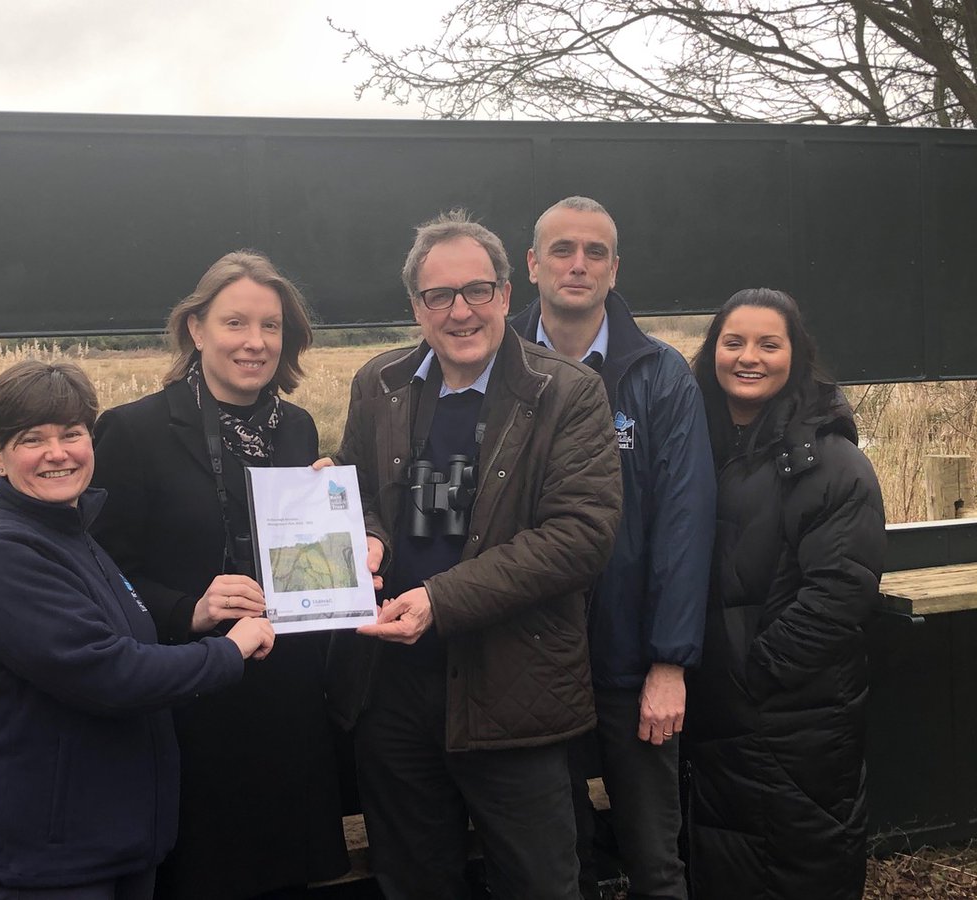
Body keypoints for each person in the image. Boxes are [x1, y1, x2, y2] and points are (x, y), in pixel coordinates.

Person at [326, 209, 623, 899]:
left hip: (514, 689)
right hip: (393, 694)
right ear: (416, 306)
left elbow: (581, 535)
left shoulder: (567, 392)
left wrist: (440, 600)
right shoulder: (379, 383)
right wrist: (365, 530)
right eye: (439, 296)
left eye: (477, 291)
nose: (460, 312)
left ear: (506, 294)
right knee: (414, 879)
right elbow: (358, 486)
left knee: (538, 882)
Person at [0, 360, 273, 900]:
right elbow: (108, 672)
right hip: (50, 861)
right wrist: (229, 651)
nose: (58, 453)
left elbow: (123, 640)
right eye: (32, 439)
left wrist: (195, 616)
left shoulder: (74, 535)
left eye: (72, 434)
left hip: (117, 843)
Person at [89, 251, 349, 898]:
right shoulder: (133, 431)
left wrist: (334, 525)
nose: (255, 342)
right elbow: (103, 575)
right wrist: (188, 609)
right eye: (236, 323)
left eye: (271, 326)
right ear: (196, 330)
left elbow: (302, 561)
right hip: (193, 706)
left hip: (287, 704)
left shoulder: (297, 429)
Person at [508, 196, 715, 899]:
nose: (578, 264)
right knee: (557, 864)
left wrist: (670, 662)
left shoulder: (661, 374)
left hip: (632, 662)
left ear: (615, 268)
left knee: (655, 860)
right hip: (529, 657)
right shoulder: (493, 365)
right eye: (561, 249)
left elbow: (684, 526)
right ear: (531, 264)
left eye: (595, 252)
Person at [684, 288, 885, 899]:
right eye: (734, 342)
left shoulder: (831, 463)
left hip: (792, 718)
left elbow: (840, 591)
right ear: (713, 352)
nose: (749, 357)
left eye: (769, 344)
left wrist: (756, 674)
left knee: (799, 863)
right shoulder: (696, 448)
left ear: (796, 356)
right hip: (717, 717)